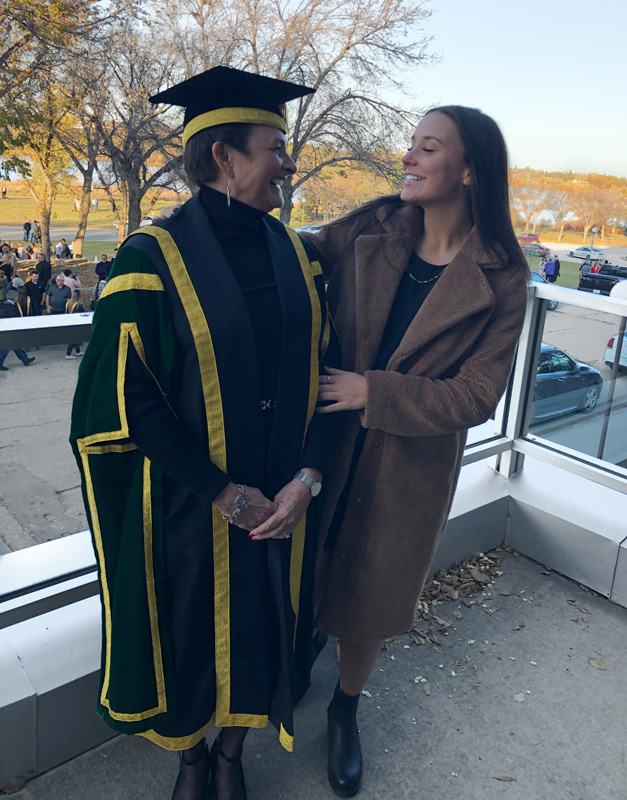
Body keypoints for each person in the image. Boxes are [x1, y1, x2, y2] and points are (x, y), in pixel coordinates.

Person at [70, 66, 340, 800]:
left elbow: (331, 377)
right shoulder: (148, 259)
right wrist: (223, 493)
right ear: (225, 156)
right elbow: (128, 398)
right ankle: (191, 759)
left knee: (264, 630)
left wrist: (306, 481)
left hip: (284, 500)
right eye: (275, 146)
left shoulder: (301, 256)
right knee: (188, 632)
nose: (289, 161)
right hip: (192, 502)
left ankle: (230, 756)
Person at [301, 105, 529, 797]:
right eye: (411, 144)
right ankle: (294, 662)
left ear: (466, 170)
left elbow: (476, 396)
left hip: (407, 470)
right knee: (304, 565)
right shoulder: (369, 228)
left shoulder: (503, 278)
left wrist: (374, 391)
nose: (406, 156)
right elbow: (293, 254)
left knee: (371, 592)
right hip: (321, 446)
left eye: (425, 148)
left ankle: (344, 707)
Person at [0, 290, 36, 370]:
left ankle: (25, 359)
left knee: (16, 345)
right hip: (9, 330)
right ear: (14, 298)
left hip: (5, 329)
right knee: (6, 347)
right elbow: (15, 320)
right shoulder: (11, 308)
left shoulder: (4, 305)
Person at [65, 290, 85, 359]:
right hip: (76, 323)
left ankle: (78, 352)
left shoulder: (68, 303)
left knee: (75, 338)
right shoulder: (78, 305)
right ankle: (68, 354)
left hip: (69, 322)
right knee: (73, 339)